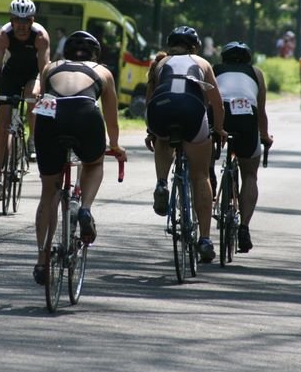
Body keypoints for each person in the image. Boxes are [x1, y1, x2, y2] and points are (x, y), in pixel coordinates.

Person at [31, 31, 127, 284]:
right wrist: (115, 145)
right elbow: (111, 117)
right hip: (86, 115)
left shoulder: (51, 67)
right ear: (96, 54)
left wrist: (37, 138)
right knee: (94, 163)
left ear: (66, 52)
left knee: (48, 193)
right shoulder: (103, 72)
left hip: (50, 119)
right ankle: (84, 208)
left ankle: (42, 261)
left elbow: (40, 102)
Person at [145, 26, 227, 263]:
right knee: (200, 176)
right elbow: (217, 103)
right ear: (194, 47)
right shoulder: (202, 63)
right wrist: (219, 129)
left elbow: (150, 101)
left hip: (162, 109)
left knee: (161, 137)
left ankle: (161, 183)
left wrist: (151, 131)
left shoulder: (159, 64)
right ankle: (204, 239)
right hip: (191, 111)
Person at [0, 0, 51, 199]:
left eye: (26, 21)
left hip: (33, 74)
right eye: (17, 20)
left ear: (32, 20)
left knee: (32, 94)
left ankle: (32, 139)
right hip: (11, 74)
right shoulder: (3, 36)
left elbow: (43, 69)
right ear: (11, 20)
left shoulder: (40, 37)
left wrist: (44, 92)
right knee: (3, 127)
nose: (21, 26)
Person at [212, 41, 273, 252]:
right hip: (247, 116)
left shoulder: (214, 70)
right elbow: (261, 111)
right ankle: (244, 227)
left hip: (220, 116)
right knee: (250, 175)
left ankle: (208, 179)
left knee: (202, 163)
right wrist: (265, 136)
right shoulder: (256, 73)